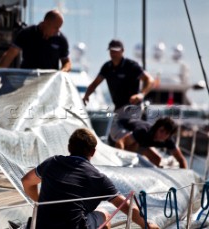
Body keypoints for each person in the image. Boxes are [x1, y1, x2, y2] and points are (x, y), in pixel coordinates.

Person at [21, 128, 160, 229]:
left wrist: (41, 202)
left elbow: (26, 181)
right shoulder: (97, 177)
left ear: (69, 147)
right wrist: (146, 224)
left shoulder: (52, 162)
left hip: (40, 226)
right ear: (93, 152)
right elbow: (125, 206)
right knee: (104, 215)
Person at [83, 39, 154, 142]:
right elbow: (95, 83)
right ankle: (127, 149)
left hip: (132, 107)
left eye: (116, 51)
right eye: (111, 51)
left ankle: (131, 147)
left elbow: (149, 80)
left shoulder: (131, 65)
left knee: (124, 135)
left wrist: (141, 94)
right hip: (118, 108)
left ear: (122, 51)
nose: (113, 53)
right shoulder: (107, 67)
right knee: (115, 135)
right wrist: (86, 95)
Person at [0, 9, 71, 72]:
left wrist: (63, 71)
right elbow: (10, 54)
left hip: (49, 83)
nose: (58, 31)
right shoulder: (27, 33)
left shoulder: (61, 40)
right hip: (27, 80)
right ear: (46, 23)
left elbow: (66, 62)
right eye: (56, 27)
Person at [115, 117, 188, 169]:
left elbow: (181, 159)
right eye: (161, 131)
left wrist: (185, 176)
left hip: (140, 141)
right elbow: (121, 142)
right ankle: (126, 167)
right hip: (119, 127)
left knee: (157, 160)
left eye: (166, 133)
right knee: (135, 145)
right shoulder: (143, 131)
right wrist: (120, 160)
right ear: (156, 128)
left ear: (169, 135)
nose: (162, 135)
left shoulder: (168, 141)